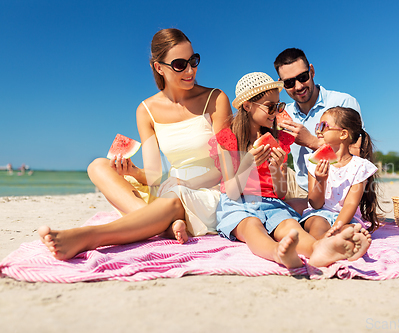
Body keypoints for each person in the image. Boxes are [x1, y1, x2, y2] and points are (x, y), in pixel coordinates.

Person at [38, 28, 232, 260]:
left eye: (194, 60)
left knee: (173, 198)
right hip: (170, 189)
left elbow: (228, 162)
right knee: (97, 166)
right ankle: (161, 226)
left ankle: (90, 237)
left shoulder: (216, 99)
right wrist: (132, 172)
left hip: (208, 192)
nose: (190, 70)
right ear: (159, 67)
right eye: (180, 64)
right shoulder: (146, 110)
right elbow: (153, 175)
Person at [210, 72, 369, 268]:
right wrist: (247, 164)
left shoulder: (278, 139)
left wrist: (277, 170)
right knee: (252, 227)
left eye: (279, 106)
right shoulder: (228, 139)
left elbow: (281, 193)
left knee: (290, 226)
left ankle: (321, 249)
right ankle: (277, 253)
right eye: (270, 107)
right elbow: (232, 192)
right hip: (238, 203)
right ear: (247, 106)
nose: (275, 112)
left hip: (272, 202)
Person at [273, 48, 361, 211]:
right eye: (289, 83)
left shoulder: (343, 102)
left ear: (312, 71)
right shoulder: (284, 115)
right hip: (303, 193)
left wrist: (312, 142)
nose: (298, 86)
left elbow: (356, 155)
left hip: (342, 193)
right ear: (281, 84)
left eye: (302, 77)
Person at [299, 107, 381, 259]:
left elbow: (350, 204)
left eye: (323, 126)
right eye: (317, 126)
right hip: (319, 213)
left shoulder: (361, 167)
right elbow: (315, 204)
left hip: (347, 217)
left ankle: (343, 245)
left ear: (343, 134)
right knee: (317, 224)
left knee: (351, 229)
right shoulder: (313, 162)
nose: (317, 130)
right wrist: (320, 181)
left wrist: (337, 227)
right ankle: (325, 245)